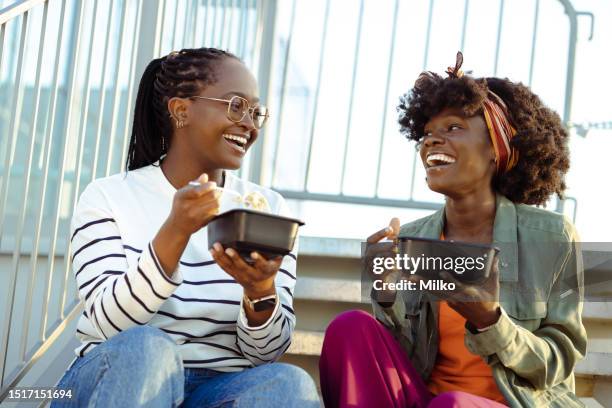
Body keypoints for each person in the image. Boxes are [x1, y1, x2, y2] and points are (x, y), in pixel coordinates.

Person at [51, 48, 319, 408]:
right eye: (236, 106)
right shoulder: (108, 196)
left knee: (289, 383)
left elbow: (265, 354)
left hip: (219, 389)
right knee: (149, 350)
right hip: (117, 375)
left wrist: (260, 292)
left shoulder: (268, 210)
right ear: (181, 110)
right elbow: (107, 325)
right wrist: (175, 231)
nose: (250, 124)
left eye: (256, 113)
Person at [319, 52, 586, 407]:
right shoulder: (414, 239)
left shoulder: (552, 236)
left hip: (516, 402)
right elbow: (394, 367)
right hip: (429, 400)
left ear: (497, 149)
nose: (431, 141)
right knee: (349, 327)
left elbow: (557, 363)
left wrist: (490, 322)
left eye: (453, 128)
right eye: (427, 133)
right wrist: (385, 296)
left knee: (453, 405)